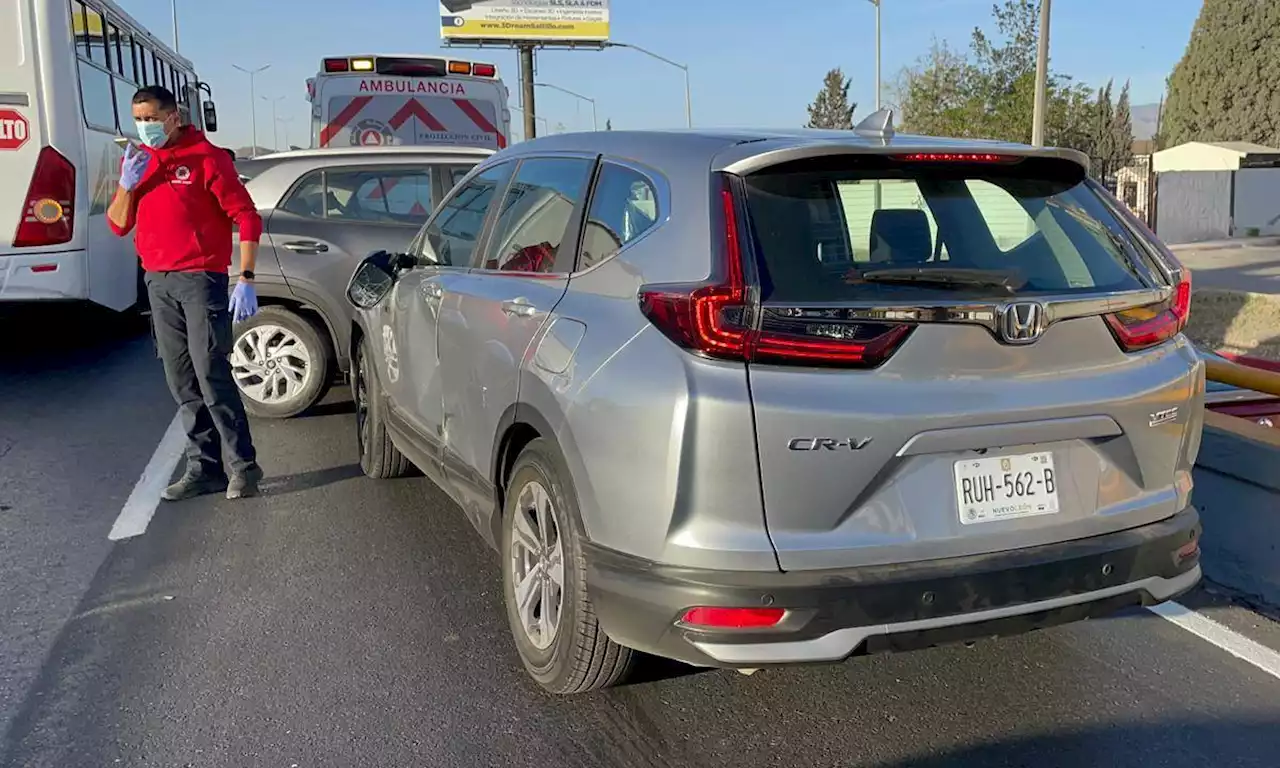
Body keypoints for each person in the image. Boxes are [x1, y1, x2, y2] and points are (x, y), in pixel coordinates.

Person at [108, 85, 265, 501]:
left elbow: (246, 217)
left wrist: (246, 276)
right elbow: (118, 225)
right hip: (157, 282)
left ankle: (244, 467)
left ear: (174, 117)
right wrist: (127, 184)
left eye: (151, 119)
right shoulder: (140, 162)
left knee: (211, 374)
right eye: (138, 119)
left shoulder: (207, 159)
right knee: (181, 381)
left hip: (200, 280)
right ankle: (205, 468)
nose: (144, 128)